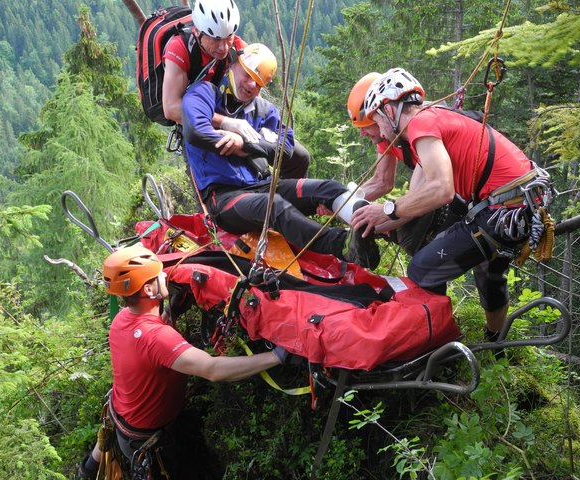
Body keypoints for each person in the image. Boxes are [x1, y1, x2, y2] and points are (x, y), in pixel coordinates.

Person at [352, 67, 551, 339]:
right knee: (490, 275)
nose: (378, 129)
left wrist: (387, 210)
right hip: (517, 203)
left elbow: (441, 189)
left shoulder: (420, 124)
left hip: (503, 208)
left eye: (375, 118)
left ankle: (436, 340)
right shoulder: (433, 117)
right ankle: (495, 343)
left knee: (423, 268)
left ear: (388, 109)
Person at [79, 245, 287, 479]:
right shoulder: (157, 339)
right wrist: (275, 357)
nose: (165, 275)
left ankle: (85, 469)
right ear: (148, 288)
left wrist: (170, 313)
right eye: (158, 274)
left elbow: (149, 345)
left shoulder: (122, 319)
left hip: (126, 422)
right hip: (150, 442)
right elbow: (213, 369)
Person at [181, 43, 380, 269]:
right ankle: (343, 245)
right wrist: (229, 127)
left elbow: (285, 147)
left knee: (330, 189)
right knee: (272, 205)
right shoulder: (204, 93)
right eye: (247, 74)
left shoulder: (264, 110)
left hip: (263, 185)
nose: (251, 85)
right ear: (234, 64)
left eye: (258, 82)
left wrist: (245, 143)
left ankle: (374, 229)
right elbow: (196, 131)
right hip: (224, 199)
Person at [162, 0, 309, 178]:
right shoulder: (180, 49)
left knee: (299, 156)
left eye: (228, 37)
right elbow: (170, 109)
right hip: (198, 119)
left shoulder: (239, 47)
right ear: (198, 32)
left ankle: (287, 195)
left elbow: (252, 93)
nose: (223, 47)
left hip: (233, 112)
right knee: (223, 169)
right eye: (216, 39)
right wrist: (225, 122)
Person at [346, 72, 452, 256]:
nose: (362, 134)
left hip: (467, 199)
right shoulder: (386, 134)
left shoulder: (419, 129)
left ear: (383, 114)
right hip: (449, 193)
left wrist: (367, 224)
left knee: (416, 245)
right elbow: (382, 181)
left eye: (365, 126)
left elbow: (412, 207)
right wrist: (342, 202)